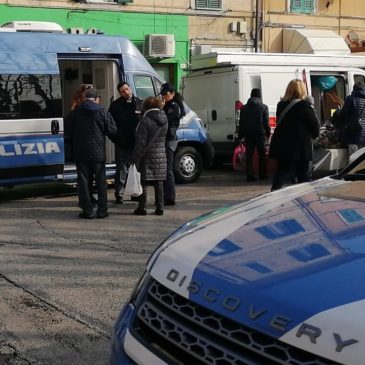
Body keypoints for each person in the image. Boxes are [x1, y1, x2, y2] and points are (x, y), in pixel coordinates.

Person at [68, 87, 117, 219]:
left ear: (85, 98)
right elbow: (112, 130)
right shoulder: (102, 111)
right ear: (96, 99)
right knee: (101, 182)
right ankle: (102, 210)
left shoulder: (76, 111)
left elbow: (67, 131)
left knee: (83, 182)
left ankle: (88, 210)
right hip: (98, 154)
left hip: (81, 153)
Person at [269, 79, 320, 191]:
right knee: (303, 176)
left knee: (281, 173)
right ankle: (303, 197)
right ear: (302, 90)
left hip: (283, 146)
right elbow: (315, 125)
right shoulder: (304, 105)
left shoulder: (281, 105)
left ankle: (273, 194)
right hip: (300, 147)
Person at [130, 96, 168, 216]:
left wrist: (134, 157)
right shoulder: (165, 119)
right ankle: (160, 207)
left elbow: (141, 142)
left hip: (146, 156)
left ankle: (142, 208)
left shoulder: (145, 121)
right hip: (161, 154)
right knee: (159, 182)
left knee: (144, 182)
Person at [108, 82, 142, 204]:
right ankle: (119, 194)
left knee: (136, 169)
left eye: (127, 89)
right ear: (119, 93)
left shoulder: (140, 103)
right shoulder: (115, 106)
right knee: (121, 170)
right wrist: (115, 138)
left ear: (130, 88)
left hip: (136, 143)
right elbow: (109, 124)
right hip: (122, 143)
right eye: (123, 91)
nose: (126, 92)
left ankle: (135, 193)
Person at [160, 83, 185, 206]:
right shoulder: (167, 105)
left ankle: (169, 197)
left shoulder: (173, 106)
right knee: (165, 168)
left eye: (166, 94)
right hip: (166, 138)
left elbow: (166, 121)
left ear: (173, 94)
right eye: (162, 94)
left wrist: (161, 108)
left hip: (169, 139)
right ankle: (166, 195)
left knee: (168, 169)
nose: (164, 96)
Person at [238, 88, 271, 182]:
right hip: (260, 134)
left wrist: (240, 136)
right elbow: (266, 123)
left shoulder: (243, 108)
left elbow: (242, 123)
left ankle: (249, 176)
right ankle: (263, 175)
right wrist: (268, 133)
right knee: (262, 155)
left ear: (251, 95)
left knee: (249, 156)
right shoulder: (264, 107)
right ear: (259, 96)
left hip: (248, 134)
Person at [337, 81, 365, 156]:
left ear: (354, 89)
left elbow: (343, 114)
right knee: (361, 160)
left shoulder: (350, 98)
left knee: (353, 157)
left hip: (353, 132)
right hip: (364, 133)